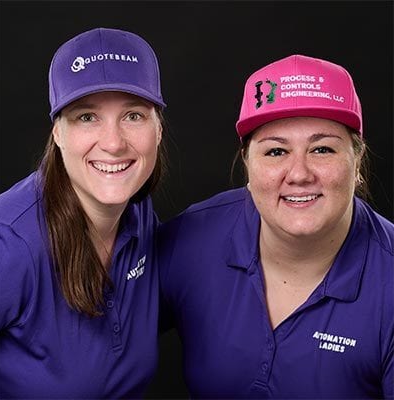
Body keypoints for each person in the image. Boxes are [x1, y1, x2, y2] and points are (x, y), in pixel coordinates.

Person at [159, 54, 394, 398]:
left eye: (322, 149)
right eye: (275, 152)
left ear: (357, 161)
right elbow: (100, 347)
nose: (299, 174)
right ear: (248, 164)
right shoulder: (192, 238)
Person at [0, 27, 166, 398]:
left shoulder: (138, 216)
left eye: (133, 116)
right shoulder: (8, 246)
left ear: (158, 129)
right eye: (87, 117)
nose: (113, 143)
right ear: (57, 132)